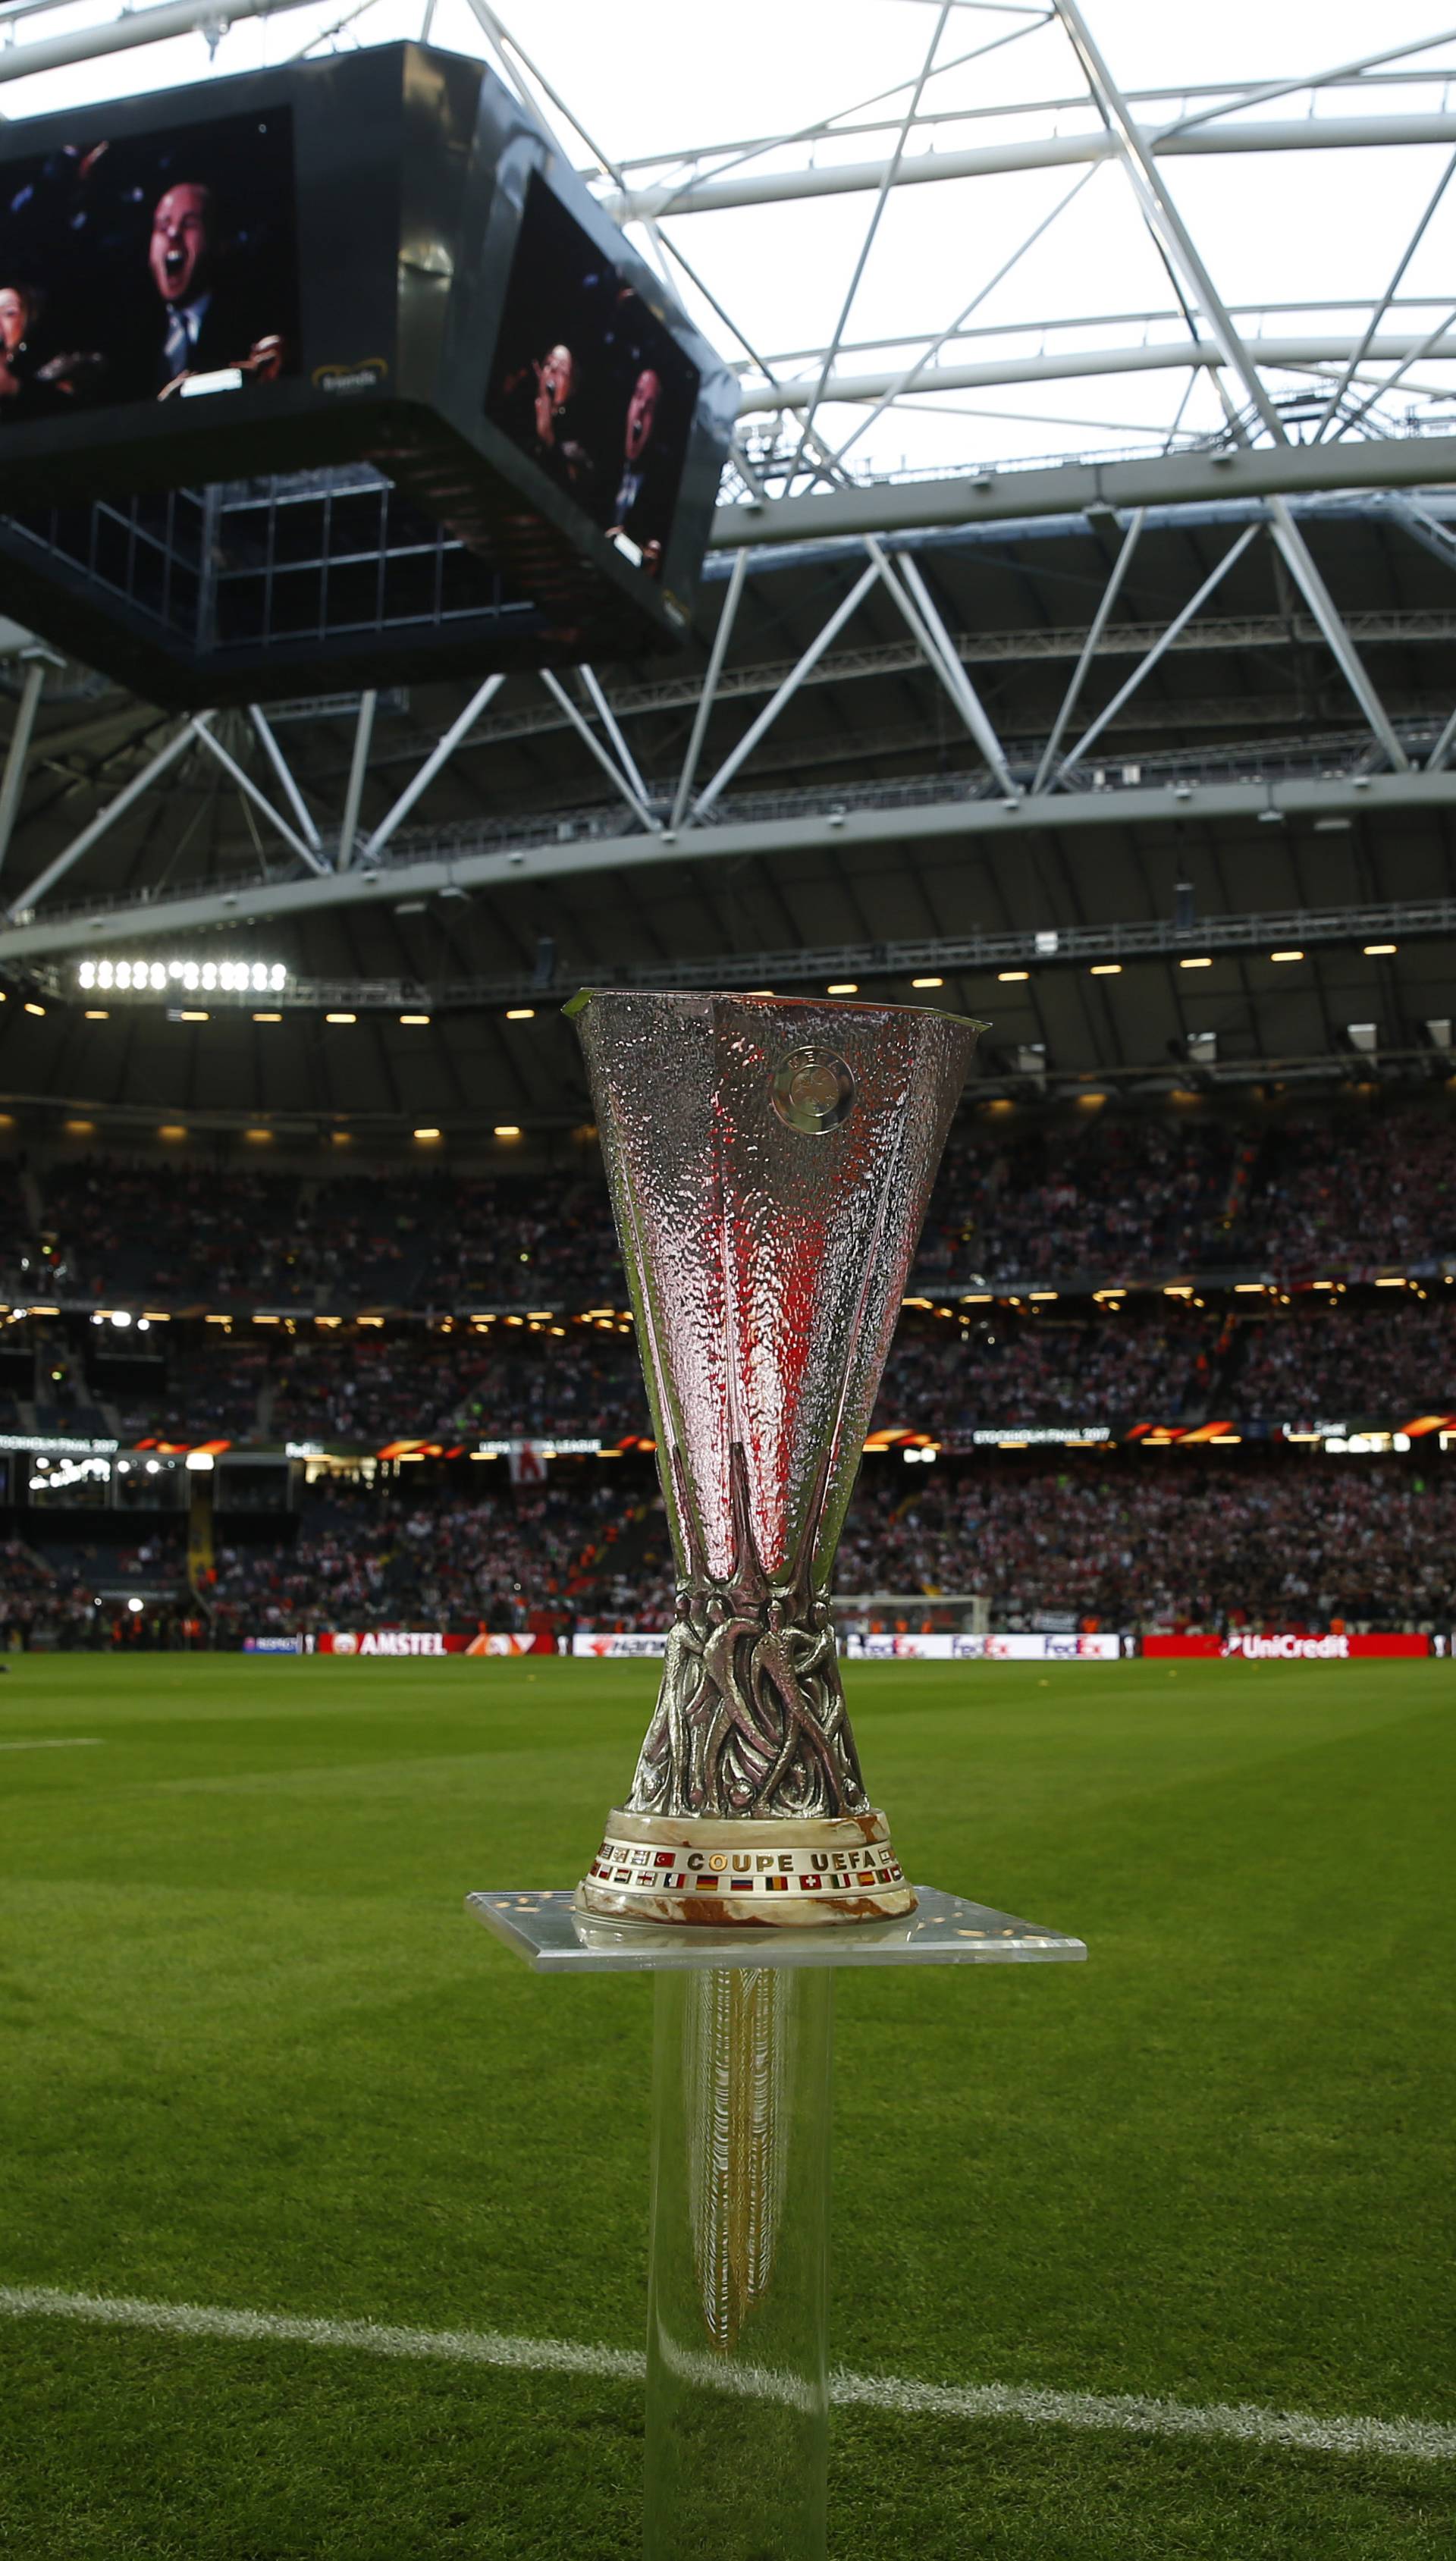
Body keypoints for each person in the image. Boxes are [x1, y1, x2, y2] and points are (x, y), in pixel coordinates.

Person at [135, 183, 286, 397]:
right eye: (162, 226)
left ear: (218, 241)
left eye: (188, 224)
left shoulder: (254, 322)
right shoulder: (129, 333)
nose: (173, 233)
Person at [607, 363, 670, 572]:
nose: (641, 409)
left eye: (650, 406)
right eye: (638, 396)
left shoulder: (660, 490)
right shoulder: (599, 465)